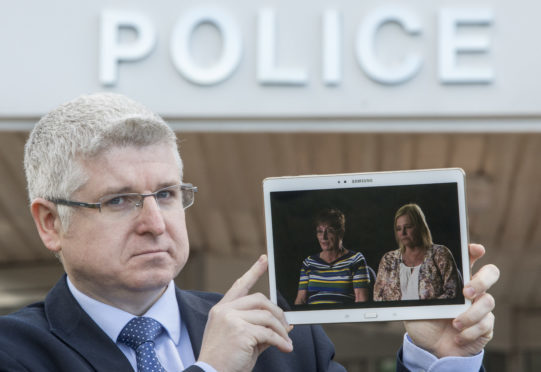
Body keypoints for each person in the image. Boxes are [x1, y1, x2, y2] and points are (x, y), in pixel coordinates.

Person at [0, 93, 499, 372]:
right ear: (50, 223)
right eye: (120, 200)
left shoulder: (286, 343)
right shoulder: (15, 353)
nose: (155, 223)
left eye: (168, 194)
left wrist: (439, 359)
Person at [374, 203, 461, 301]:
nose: (403, 233)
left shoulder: (440, 254)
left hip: (432, 315)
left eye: (408, 227)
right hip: (395, 315)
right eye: (399, 229)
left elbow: (452, 293)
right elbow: (378, 297)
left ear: (420, 227)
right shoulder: (388, 259)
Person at [294, 208, 370, 305]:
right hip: (314, 318)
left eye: (329, 231)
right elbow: (300, 300)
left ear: (341, 232)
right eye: (320, 231)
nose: (323, 237)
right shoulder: (309, 262)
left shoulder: (355, 259)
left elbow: (361, 300)